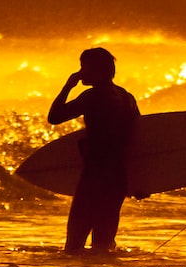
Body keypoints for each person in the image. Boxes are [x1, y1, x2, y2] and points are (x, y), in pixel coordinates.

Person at [47, 47, 140, 253]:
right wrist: (140, 182)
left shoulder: (93, 96)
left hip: (95, 177)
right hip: (118, 179)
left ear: (95, 69)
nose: (80, 73)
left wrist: (68, 86)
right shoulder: (127, 98)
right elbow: (137, 140)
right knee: (103, 246)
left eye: (83, 67)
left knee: (73, 246)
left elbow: (54, 117)